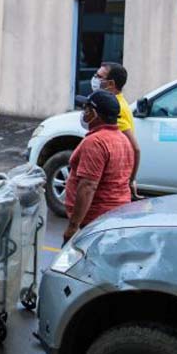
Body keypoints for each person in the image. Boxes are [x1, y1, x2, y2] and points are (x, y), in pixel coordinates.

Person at [63, 90, 135, 243]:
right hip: (116, 217)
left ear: (94, 113)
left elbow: (88, 186)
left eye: (86, 109)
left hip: (95, 223)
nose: (84, 113)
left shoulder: (95, 142)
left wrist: (72, 227)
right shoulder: (122, 139)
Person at [92, 62, 142, 199]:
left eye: (99, 77)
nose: (95, 79)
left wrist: (131, 180)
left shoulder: (114, 108)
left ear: (111, 84)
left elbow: (135, 148)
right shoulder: (115, 101)